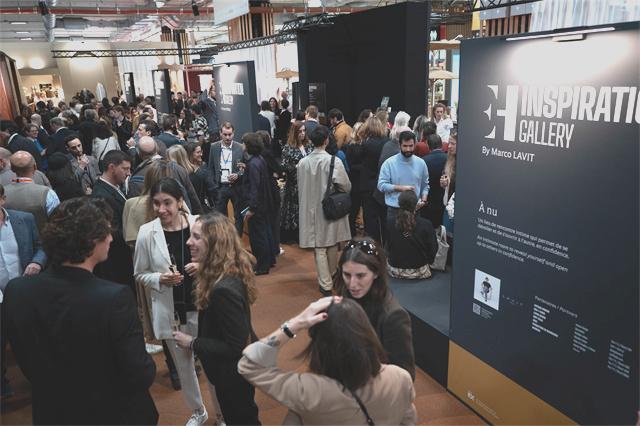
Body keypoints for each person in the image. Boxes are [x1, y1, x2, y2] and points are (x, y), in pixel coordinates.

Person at [3, 197, 158, 425]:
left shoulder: (17, 290)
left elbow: (26, 360)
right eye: (107, 232)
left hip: (52, 411)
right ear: (91, 240)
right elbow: (139, 373)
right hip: (112, 413)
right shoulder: (114, 298)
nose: (111, 238)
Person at [238, 296, 417, 425]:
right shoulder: (400, 378)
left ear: (320, 345)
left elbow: (249, 365)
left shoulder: (308, 391)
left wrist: (296, 323)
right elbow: (409, 419)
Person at [173, 212, 261, 425]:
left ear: (214, 244)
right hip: (235, 372)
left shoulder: (223, 290)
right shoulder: (223, 272)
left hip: (233, 374)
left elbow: (235, 346)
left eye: (196, 237)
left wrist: (192, 342)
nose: (188, 241)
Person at [133, 178, 209, 425]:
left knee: (212, 365)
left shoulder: (199, 224)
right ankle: (198, 411)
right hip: (172, 311)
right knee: (185, 369)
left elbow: (221, 260)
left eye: (167, 203)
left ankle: (221, 413)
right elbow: (139, 273)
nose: (161, 209)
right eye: (156, 203)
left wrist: (203, 265)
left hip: (203, 306)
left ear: (179, 202)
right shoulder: (146, 232)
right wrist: (159, 278)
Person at [333, 237, 416, 379]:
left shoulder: (393, 316)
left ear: (376, 273)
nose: (352, 284)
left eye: (360, 276)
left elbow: (405, 376)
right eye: (347, 274)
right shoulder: (345, 296)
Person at [0, 183, 46, 399]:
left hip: (25, 293)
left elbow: (41, 247)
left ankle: (39, 378)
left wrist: (37, 262)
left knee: (30, 339)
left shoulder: (23, 219)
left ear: (3, 199)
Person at [298, 126, 351, 295]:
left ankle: (326, 283)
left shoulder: (302, 163)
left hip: (309, 208)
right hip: (329, 207)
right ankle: (332, 276)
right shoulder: (334, 161)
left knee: (319, 246)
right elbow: (346, 186)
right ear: (327, 140)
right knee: (331, 242)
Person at [91, 150, 134, 291]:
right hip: (115, 260)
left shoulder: (113, 188)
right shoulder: (101, 195)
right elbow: (110, 230)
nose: (128, 173)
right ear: (111, 167)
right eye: (125, 169)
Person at [241, 133, 275, 275]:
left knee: (258, 237)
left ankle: (262, 266)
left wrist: (252, 208)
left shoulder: (253, 164)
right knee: (265, 233)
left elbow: (254, 188)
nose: (242, 145)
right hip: (264, 205)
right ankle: (269, 260)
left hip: (257, 207)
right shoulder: (259, 160)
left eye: (244, 143)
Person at [378, 131, 429, 223]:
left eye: (411, 146)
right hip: (394, 210)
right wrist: (401, 188)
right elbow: (381, 185)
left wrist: (424, 200)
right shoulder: (389, 163)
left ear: (415, 144)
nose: (408, 149)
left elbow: (425, 185)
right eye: (405, 146)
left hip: (415, 210)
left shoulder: (421, 163)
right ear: (400, 145)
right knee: (394, 237)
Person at [386, 191, 438, 279]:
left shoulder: (389, 222)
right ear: (416, 205)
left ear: (399, 204)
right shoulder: (426, 224)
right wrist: (428, 261)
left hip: (394, 270)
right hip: (420, 270)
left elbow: (388, 246)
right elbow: (433, 248)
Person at [3, 151, 60, 231]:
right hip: (45, 240)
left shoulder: (2, 194)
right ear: (35, 167)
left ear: (12, 169)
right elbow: (58, 221)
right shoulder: (47, 193)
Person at [280, 121, 313, 243]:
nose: (302, 134)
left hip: (309, 183)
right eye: (300, 131)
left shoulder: (309, 145)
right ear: (295, 133)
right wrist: (297, 167)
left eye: (304, 131)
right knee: (295, 209)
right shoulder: (288, 148)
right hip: (295, 185)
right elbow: (283, 166)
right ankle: (295, 234)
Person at [208, 122, 244, 234]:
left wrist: (238, 174)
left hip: (236, 187)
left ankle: (237, 241)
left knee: (238, 215)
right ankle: (225, 239)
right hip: (220, 187)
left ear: (233, 133)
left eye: (230, 134)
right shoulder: (214, 147)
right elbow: (210, 168)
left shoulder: (240, 147)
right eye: (225, 134)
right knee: (221, 217)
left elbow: (245, 168)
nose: (228, 137)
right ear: (220, 134)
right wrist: (214, 186)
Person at [359, 117, 390, 243]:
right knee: (384, 216)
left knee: (370, 217)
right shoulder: (387, 143)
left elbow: (361, 161)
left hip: (367, 184)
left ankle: (373, 247)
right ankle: (386, 247)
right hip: (383, 183)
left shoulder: (366, 144)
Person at [421, 133, 448, 228]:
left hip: (428, 204)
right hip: (444, 203)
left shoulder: (423, 161)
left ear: (428, 145)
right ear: (441, 144)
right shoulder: (449, 159)